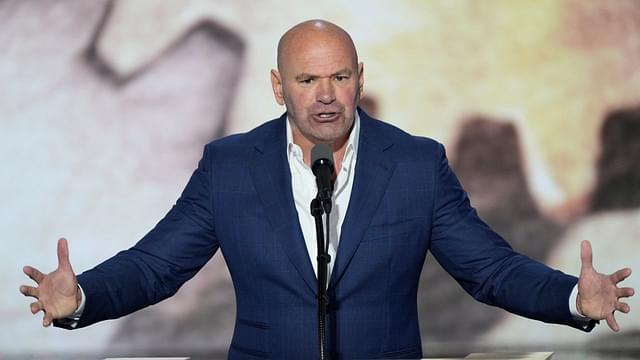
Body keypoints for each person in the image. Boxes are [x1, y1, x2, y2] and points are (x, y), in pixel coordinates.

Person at [20, 20, 634, 359]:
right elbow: (158, 266)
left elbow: (488, 269)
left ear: (360, 79)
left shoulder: (416, 165)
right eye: (307, 78)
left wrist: (573, 300)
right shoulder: (230, 166)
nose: (325, 95)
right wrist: (83, 298)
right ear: (277, 85)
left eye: (340, 76)